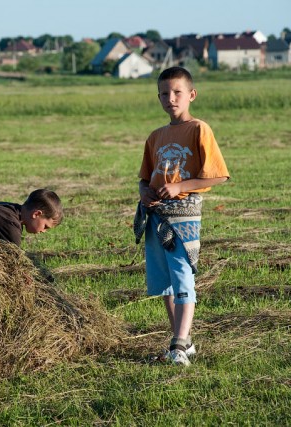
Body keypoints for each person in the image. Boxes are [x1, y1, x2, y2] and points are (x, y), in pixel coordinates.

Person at [134, 66, 229, 366]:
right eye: (164, 93)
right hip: (156, 217)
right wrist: (144, 193)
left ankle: (178, 343)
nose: (170, 98)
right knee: (164, 283)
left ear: (191, 95)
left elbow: (217, 176)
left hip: (183, 217)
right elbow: (144, 178)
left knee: (183, 277)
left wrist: (180, 187)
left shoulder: (199, 129)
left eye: (177, 92)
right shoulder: (156, 136)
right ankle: (182, 341)